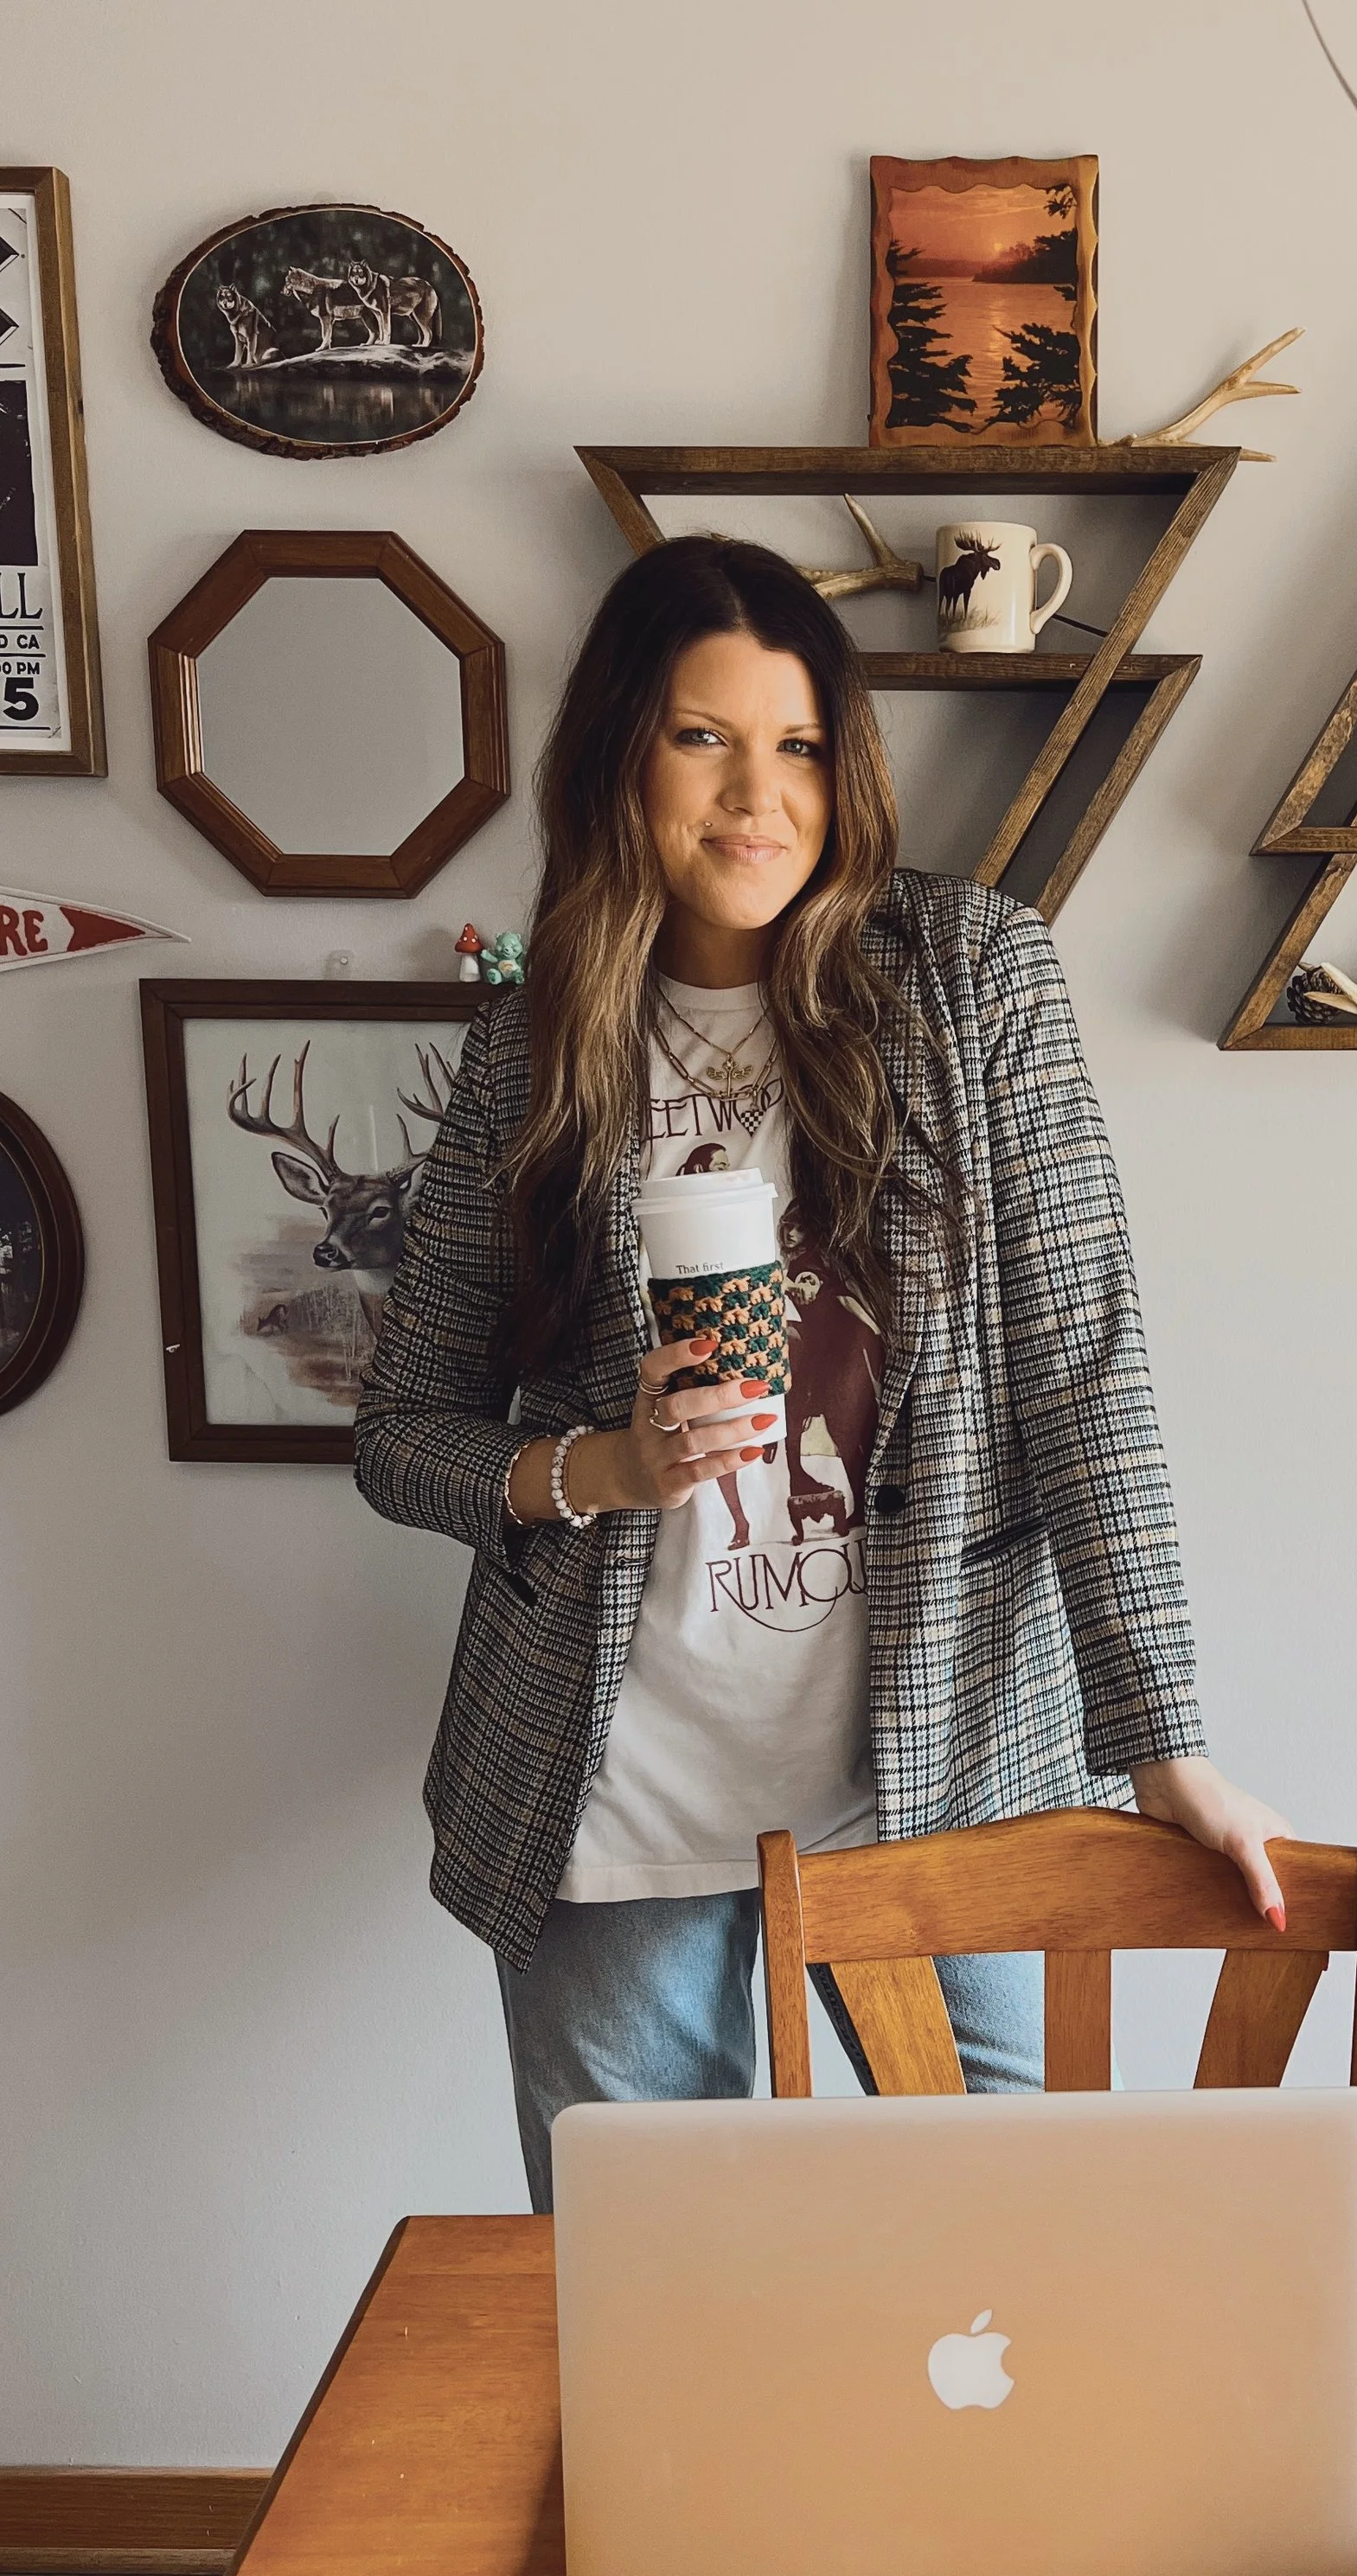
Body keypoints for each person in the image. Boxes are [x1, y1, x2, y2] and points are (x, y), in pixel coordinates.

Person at [355, 536, 1289, 2208]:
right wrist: (599, 1470)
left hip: (941, 1769)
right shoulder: (532, 1041)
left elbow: (1086, 1371)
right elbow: (402, 1431)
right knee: (664, 2303)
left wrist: (1164, 1735)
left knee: (1026, 2263)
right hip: (611, 1792)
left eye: (794, 747)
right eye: (702, 740)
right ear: (617, 756)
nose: (755, 799)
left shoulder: (971, 980)